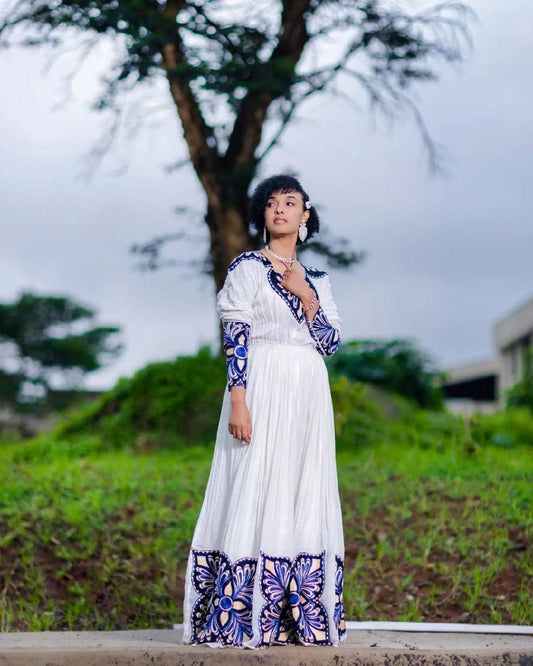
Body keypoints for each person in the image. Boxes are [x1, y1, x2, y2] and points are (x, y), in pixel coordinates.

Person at [181, 174, 346, 648]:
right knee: (253, 482)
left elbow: (330, 343)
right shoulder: (247, 268)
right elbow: (235, 336)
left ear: (305, 215)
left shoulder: (319, 280)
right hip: (261, 384)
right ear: (263, 213)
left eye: (290, 202)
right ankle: (240, 615)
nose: (280, 209)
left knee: (301, 487)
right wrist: (239, 399)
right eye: (272, 202)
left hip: (308, 393)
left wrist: (305, 294)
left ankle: (296, 617)